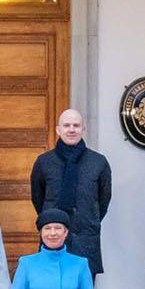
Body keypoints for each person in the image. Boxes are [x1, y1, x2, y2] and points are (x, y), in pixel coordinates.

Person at [29, 109, 113, 277]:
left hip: (86, 240)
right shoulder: (44, 162)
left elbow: (103, 200)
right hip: (54, 239)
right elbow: (38, 198)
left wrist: (87, 219)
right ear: (58, 130)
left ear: (83, 129)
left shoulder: (98, 162)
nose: (72, 129)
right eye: (66, 125)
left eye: (76, 125)